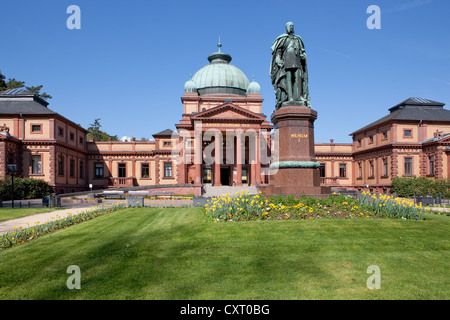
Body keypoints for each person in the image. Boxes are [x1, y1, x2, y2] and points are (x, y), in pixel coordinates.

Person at [270, 22, 311, 109]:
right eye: (289, 26)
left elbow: (302, 51)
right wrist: (278, 59)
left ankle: (298, 97)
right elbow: (278, 51)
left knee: (298, 79)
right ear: (286, 28)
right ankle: (290, 97)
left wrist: (303, 55)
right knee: (288, 79)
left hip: (297, 62)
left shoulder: (298, 39)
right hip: (287, 62)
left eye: (292, 26)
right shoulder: (283, 39)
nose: (291, 28)